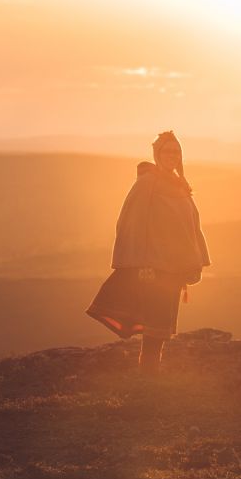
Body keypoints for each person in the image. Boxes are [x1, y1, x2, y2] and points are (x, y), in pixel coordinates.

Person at [87, 131, 210, 374]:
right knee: (155, 316)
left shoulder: (179, 185)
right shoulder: (147, 183)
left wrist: (195, 260)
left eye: (176, 152)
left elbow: (192, 225)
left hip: (174, 266)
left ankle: (152, 369)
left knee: (164, 317)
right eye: (167, 152)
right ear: (157, 155)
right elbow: (132, 222)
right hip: (153, 266)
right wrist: (141, 263)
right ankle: (149, 369)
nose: (172, 156)